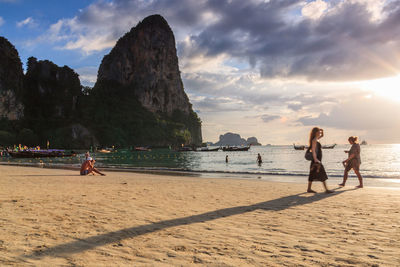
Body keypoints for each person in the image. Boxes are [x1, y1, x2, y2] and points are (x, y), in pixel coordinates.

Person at [307, 127, 333, 193]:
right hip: (316, 160)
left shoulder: (317, 139)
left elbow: (322, 135)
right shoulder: (314, 140)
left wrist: (322, 130)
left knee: (312, 174)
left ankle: (309, 189)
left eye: (320, 132)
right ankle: (326, 189)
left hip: (317, 159)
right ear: (315, 132)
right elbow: (313, 150)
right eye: (318, 132)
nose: (320, 133)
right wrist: (316, 159)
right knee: (322, 173)